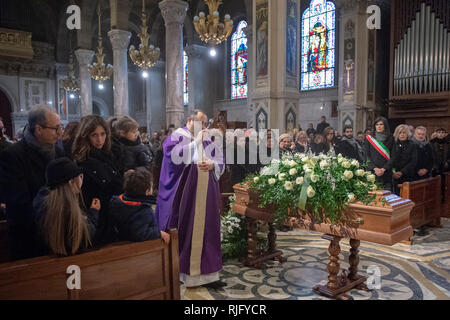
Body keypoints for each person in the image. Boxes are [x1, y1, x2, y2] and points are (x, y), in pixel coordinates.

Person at [155, 109, 225, 289]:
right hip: (186, 198)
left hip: (207, 197)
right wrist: (195, 142)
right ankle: (186, 274)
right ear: (190, 120)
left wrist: (213, 165)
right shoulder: (176, 137)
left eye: (206, 123)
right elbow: (173, 159)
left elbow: (220, 160)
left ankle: (210, 275)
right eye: (201, 122)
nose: (204, 126)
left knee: (208, 230)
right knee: (188, 231)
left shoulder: (207, 139)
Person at [0, 105, 65, 260]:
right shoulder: (13, 155)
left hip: (58, 230)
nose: (60, 133)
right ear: (39, 129)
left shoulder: (59, 151)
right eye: (55, 128)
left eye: (60, 127)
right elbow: (18, 202)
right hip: (30, 234)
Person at [32, 157, 100, 256]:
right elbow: (83, 237)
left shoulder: (43, 201)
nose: (81, 180)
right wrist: (93, 213)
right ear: (71, 182)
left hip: (48, 256)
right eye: (80, 176)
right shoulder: (68, 209)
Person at [72, 115, 123, 245]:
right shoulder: (81, 160)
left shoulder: (109, 155)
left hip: (112, 215)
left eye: (103, 134)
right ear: (86, 136)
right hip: (96, 217)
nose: (99, 139)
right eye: (94, 135)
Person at [109, 167, 169, 243]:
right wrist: (159, 233)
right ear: (147, 191)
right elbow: (141, 234)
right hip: (138, 248)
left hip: (120, 241)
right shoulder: (143, 210)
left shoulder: (118, 202)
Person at [364, 117, 394, 191]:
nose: (379, 126)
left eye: (381, 124)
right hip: (373, 172)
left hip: (386, 172)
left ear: (385, 126)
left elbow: (394, 156)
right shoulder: (369, 138)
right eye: (377, 124)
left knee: (387, 198)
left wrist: (384, 169)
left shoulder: (391, 138)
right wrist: (375, 168)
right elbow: (366, 156)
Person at [386, 125, 417, 195]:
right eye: (400, 133)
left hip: (407, 175)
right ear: (397, 134)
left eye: (404, 133)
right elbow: (389, 158)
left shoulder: (412, 144)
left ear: (407, 134)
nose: (402, 135)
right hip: (394, 175)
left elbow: (413, 161)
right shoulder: (393, 144)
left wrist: (402, 172)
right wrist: (393, 172)